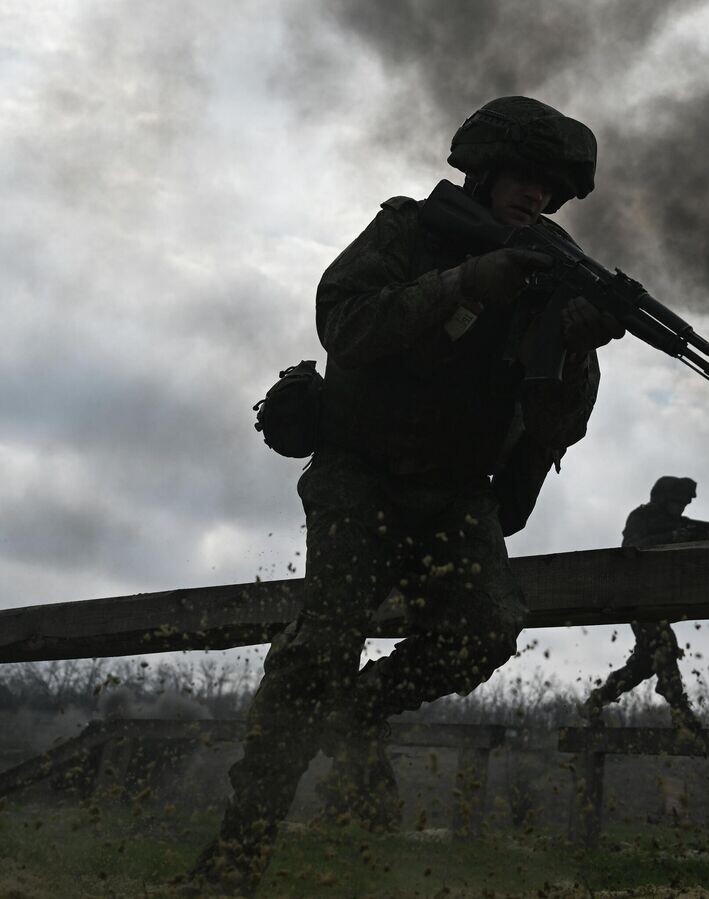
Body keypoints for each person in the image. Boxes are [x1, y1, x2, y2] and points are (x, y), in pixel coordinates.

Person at [182, 96, 623, 895]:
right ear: (486, 173)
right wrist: (465, 281)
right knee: (318, 649)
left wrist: (570, 344)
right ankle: (236, 855)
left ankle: (355, 710)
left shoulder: (555, 272)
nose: (535, 198)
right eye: (524, 180)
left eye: (549, 190)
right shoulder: (411, 232)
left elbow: (557, 425)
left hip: (455, 492)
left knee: (488, 627)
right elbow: (345, 324)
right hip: (363, 471)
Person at [580, 476, 709, 731]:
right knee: (665, 647)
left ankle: (596, 701)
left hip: (655, 599)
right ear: (662, 499)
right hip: (636, 597)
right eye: (676, 503)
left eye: (683, 504)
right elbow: (633, 546)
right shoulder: (642, 517)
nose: (681, 509)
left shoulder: (677, 523)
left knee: (644, 664)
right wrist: (675, 536)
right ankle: (679, 710)